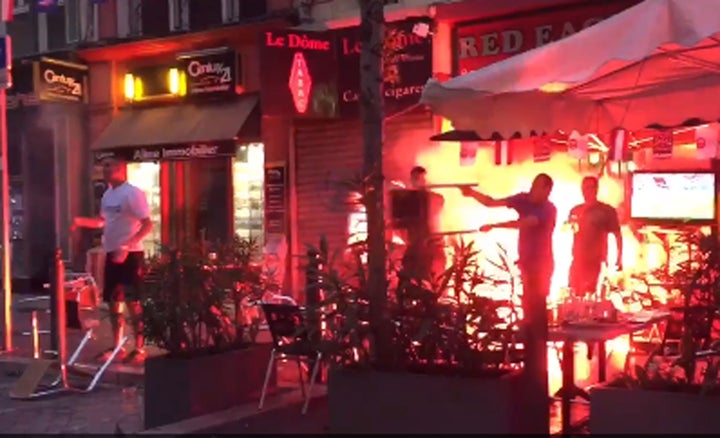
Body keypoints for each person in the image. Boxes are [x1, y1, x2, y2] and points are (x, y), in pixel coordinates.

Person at [460, 173, 556, 433]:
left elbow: (527, 224)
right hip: (526, 265)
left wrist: (496, 227)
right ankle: (530, 373)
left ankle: (538, 378)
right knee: (528, 317)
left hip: (541, 266)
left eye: (540, 187)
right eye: (534, 185)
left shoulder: (548, 209)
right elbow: (492, 202)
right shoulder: (523, 199)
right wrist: (471, 194)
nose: (535, 191)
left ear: (548, 190)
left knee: (537, 318)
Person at [73, 157, 153, 363]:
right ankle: (118, 345)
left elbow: (147, 224)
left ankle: (139, 347)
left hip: (131, 254)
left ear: (121, 170)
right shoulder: (108, 194)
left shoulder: (132, 193)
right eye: (104, 168)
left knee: (133, 302)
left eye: (110, 168)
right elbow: (104, 222)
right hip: (112, 252)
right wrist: (81, 222)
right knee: (112, 301)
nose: (106, 171)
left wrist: (127, 245)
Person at [567, 176, 623, 297]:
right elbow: (569, 231)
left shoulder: (606, 211)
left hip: (596, 260)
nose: (586, 191)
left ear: (596, 189)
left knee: (591, 295)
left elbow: (617, 235)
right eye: (584, 188)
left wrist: (619, 258)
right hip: (577, 260)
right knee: (574, 293)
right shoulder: (575, 210)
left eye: (590, 188)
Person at [400, 166, 446, 280]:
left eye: (421, 179)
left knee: (435, 279)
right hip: (414, 246)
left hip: (433, 245)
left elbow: (438, 203)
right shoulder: (405, 201)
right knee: (410, 278)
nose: (418, 182)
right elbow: (400, 223)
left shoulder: (434, 198)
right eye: (415, 179)